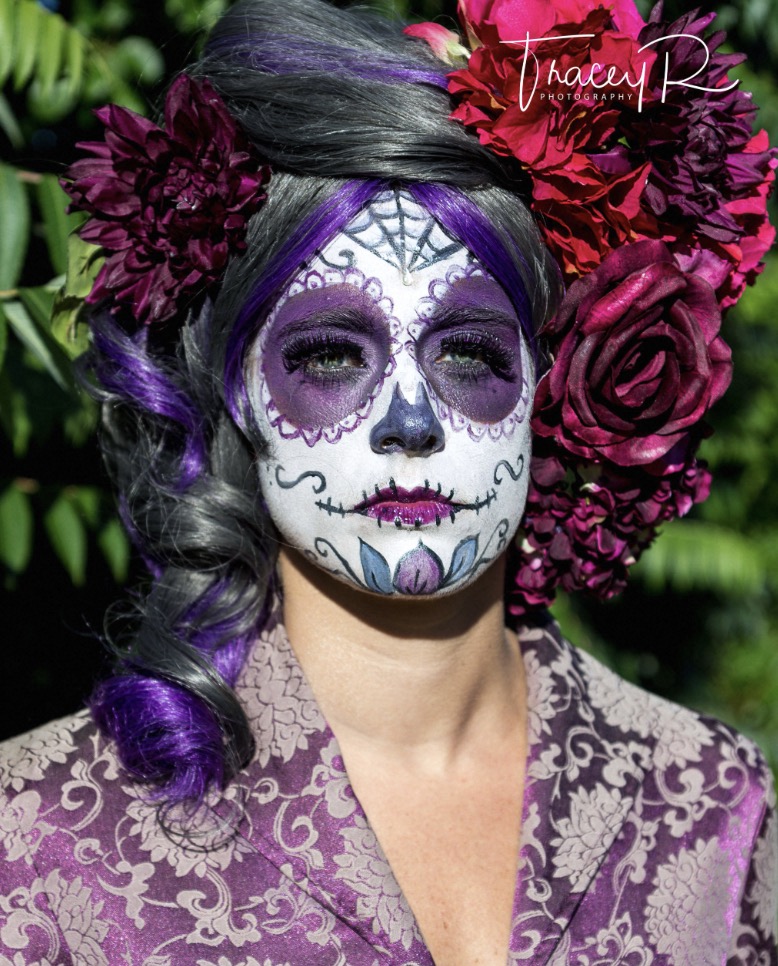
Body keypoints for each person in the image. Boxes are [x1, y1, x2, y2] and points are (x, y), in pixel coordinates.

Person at [0, 0, 776, 962]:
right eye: (329, 356)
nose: (409, 423)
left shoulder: (713, 801)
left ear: (548, 378)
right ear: (229, 389)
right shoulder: (35, 842)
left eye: (468, 355)